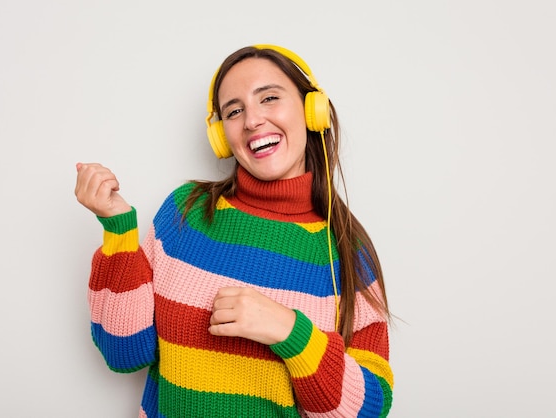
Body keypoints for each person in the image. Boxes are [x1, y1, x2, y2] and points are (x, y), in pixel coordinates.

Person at [75, 44, 393, 418]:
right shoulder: (185, 212)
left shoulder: (347, 249)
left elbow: (369, 409)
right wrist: (118, 228)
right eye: (234, 110)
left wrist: (290, 331)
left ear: (312, 110)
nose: (252, 121)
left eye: (269, 98)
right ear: (222, 135)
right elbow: (123, 351)